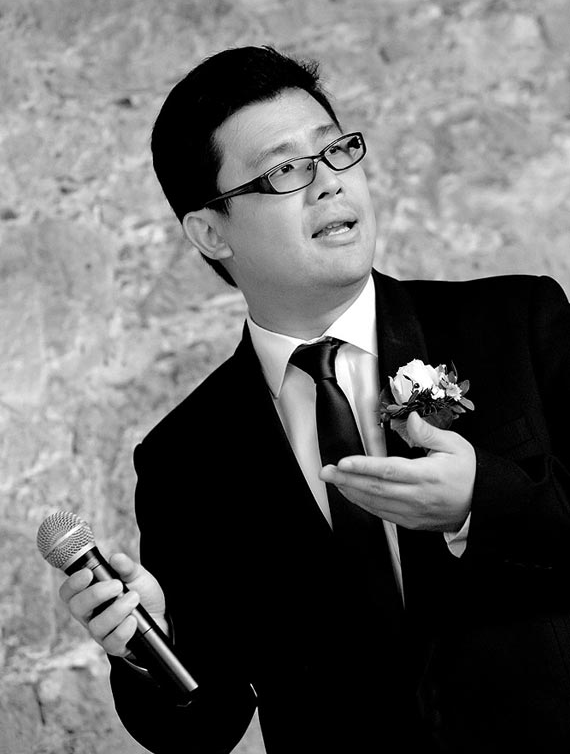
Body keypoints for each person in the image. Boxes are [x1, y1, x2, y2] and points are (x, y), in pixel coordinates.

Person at [59, 45, 570, 753]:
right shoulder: (185, 456)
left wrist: (479, 501)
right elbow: (203, 730)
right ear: (210, 231)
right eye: (285, 170)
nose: (329, 182)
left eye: (336, 151)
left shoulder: (515, 321)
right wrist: (149, 643)